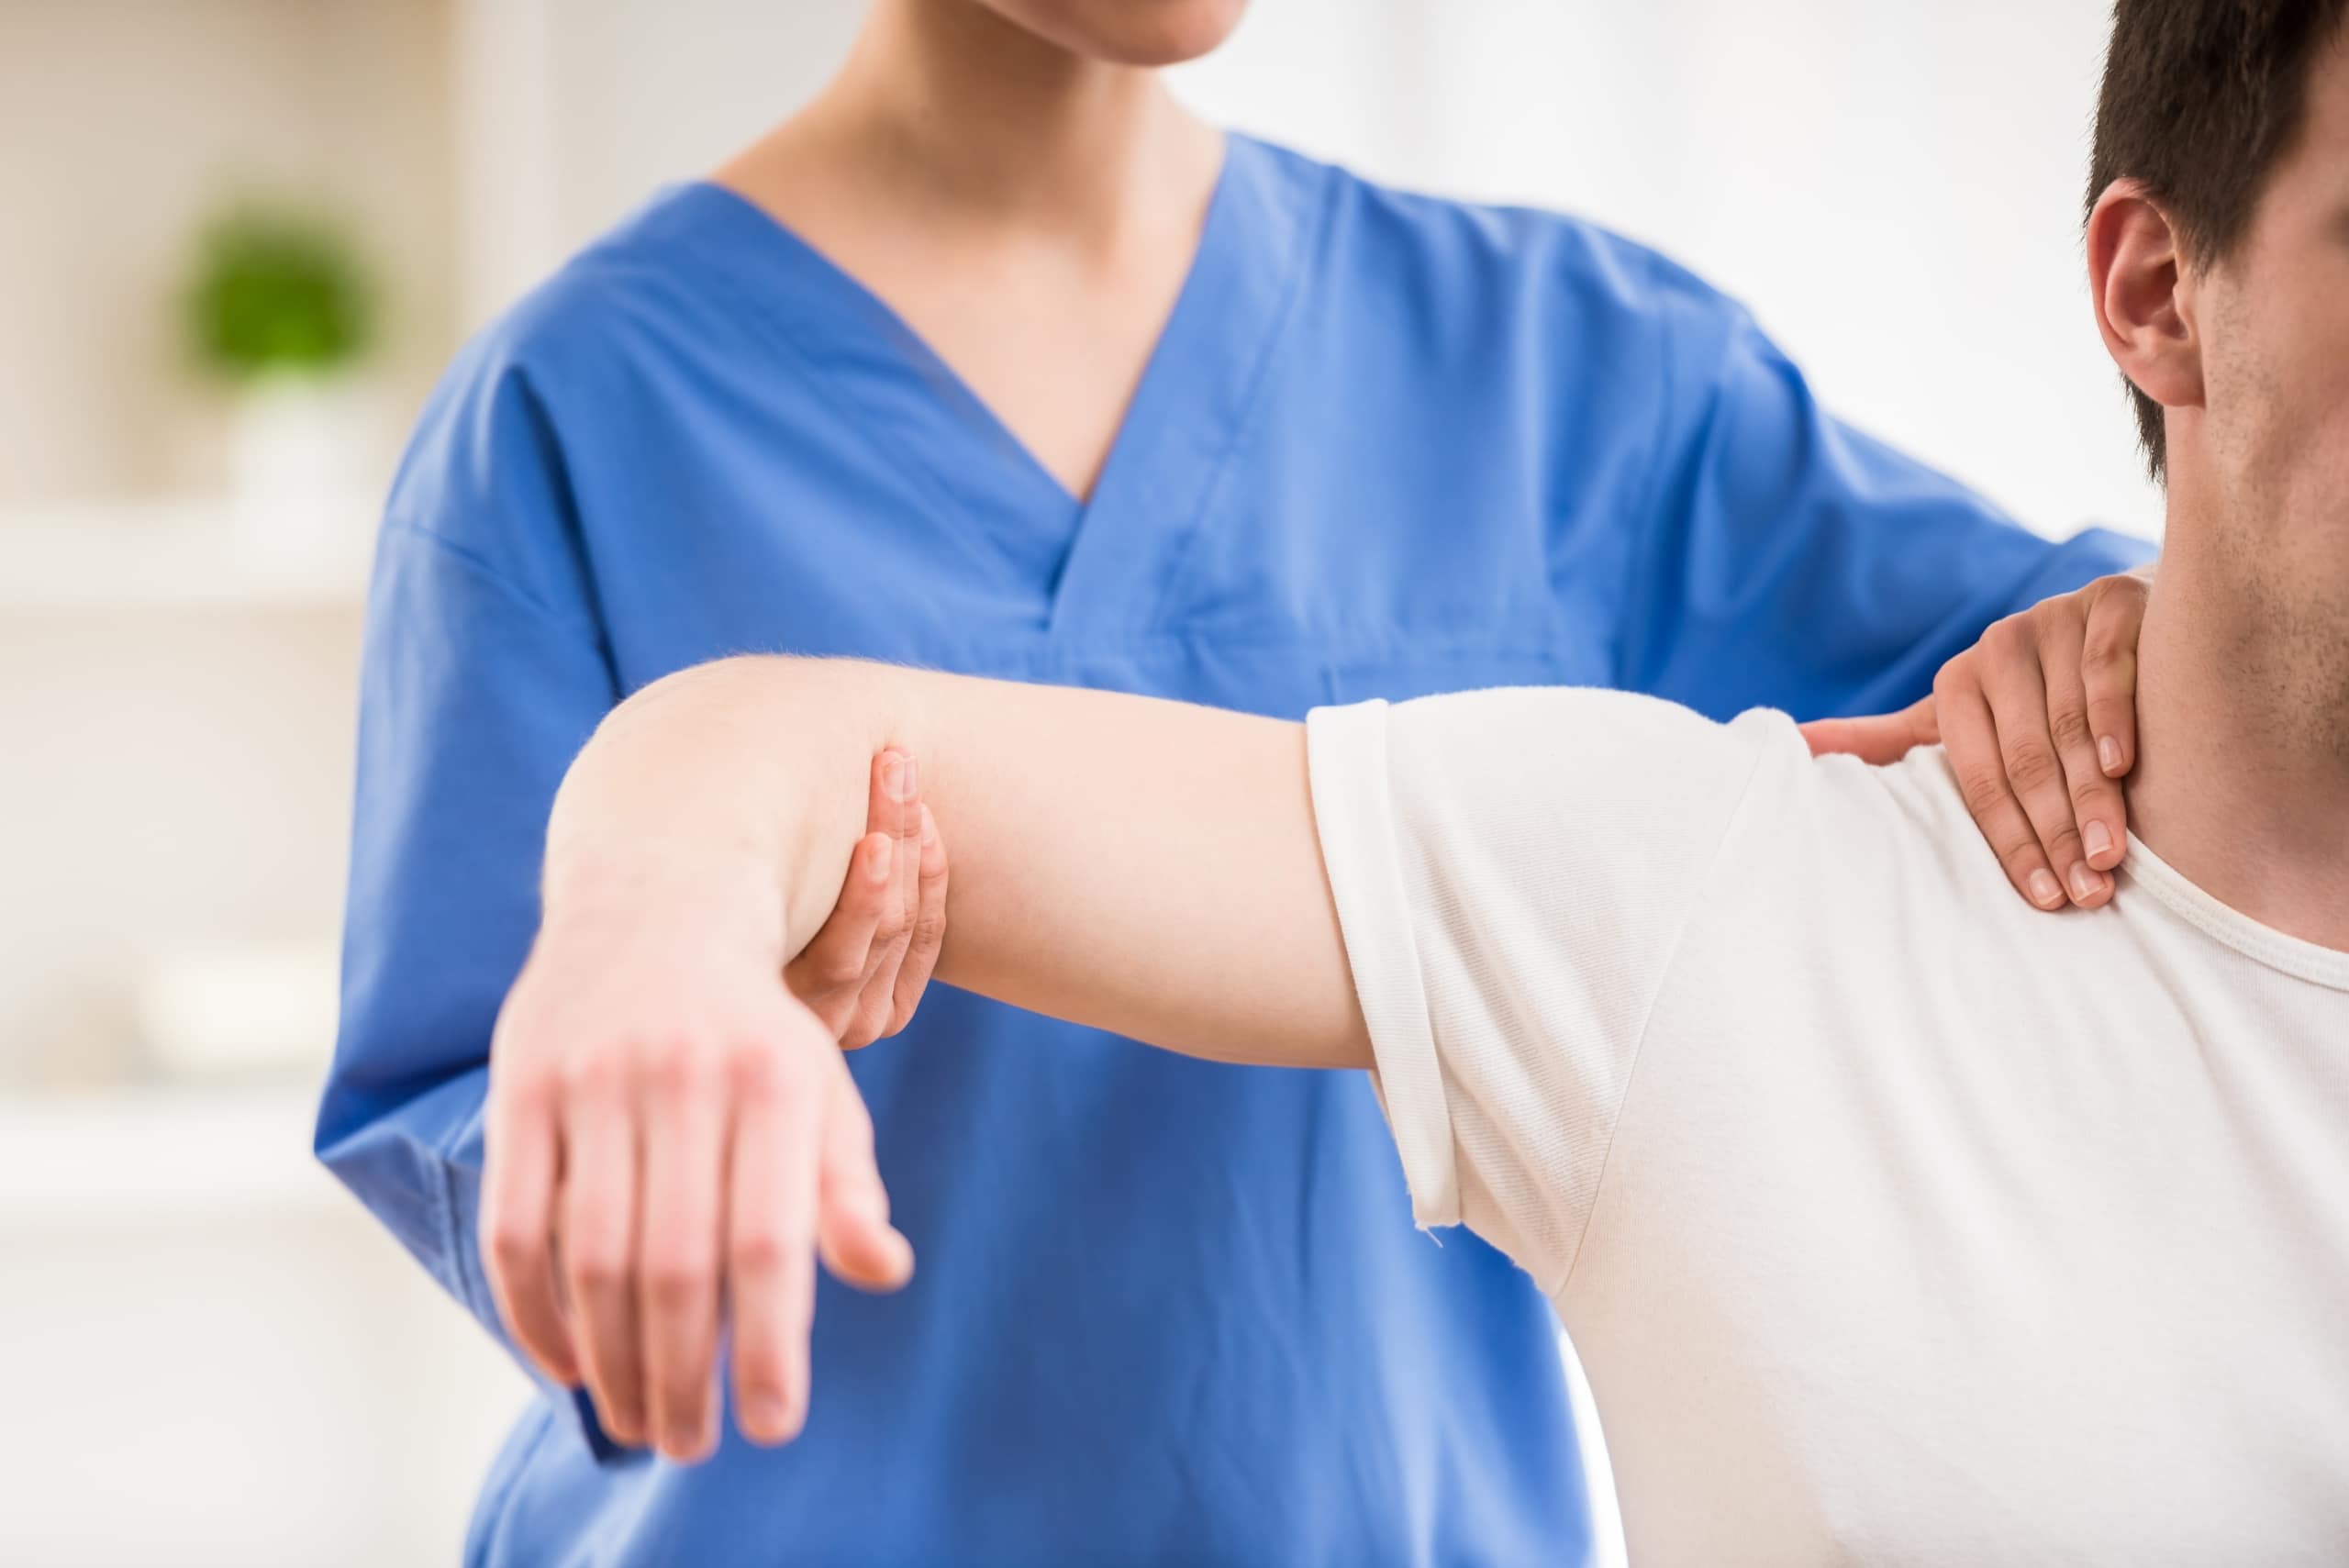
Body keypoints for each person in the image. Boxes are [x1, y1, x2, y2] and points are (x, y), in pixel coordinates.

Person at [484, 0, 2349, 1561]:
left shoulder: (1569, 372)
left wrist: (2086, 628)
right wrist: (670, 950)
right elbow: (533, 1132)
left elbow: (2164, 622)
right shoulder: (581, 407)